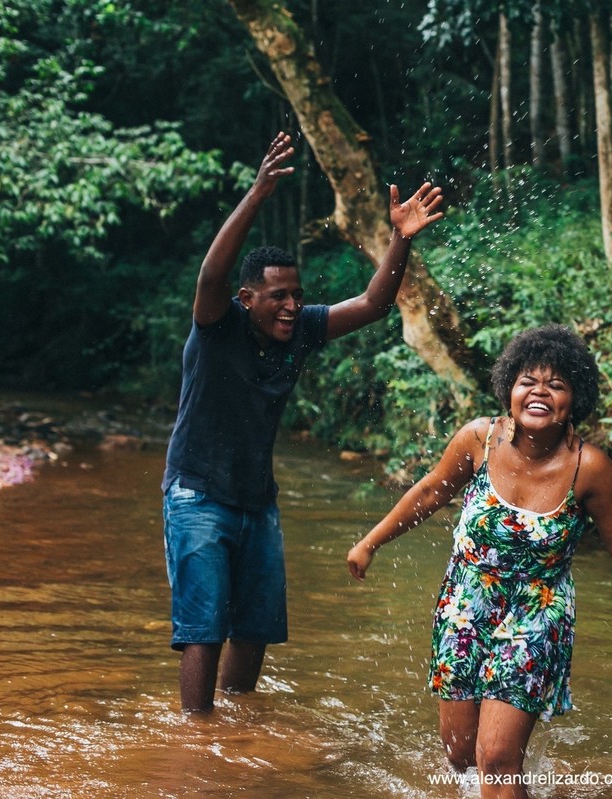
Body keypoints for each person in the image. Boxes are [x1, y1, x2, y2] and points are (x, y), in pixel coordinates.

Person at [347, 324, 612, 798]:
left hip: (536, 615)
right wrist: (371, 543)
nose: (539, 392)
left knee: (497, 760)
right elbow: (429, 492)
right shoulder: (478, 440)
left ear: (574, 399)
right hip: (465, 605)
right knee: (462, 755)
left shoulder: (592, 470)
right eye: (528, 381)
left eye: (556, 385)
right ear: (509, 390)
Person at [162, 131, 444, 713]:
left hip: (256, 500)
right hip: (196, 494)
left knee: (256, 626)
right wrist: (259, 193)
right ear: (247, 299)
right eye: (278, 297)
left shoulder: (299, 330)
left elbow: (372, 305)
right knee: (204, 628)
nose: (292, 305)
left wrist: (399, 239)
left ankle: (236, 725)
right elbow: (210, 278)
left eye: (297, 294)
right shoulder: (219, 326)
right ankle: (195, 735)